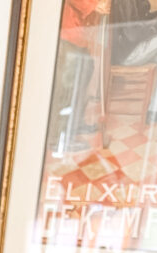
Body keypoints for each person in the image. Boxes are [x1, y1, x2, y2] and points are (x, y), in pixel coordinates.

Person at [48, 1, 112, 152]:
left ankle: (74, 124)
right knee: (66, 89)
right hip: (69, 30)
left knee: (83, 78)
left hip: (82, 33)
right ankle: (58, 138)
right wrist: (93, 5)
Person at [111, 1, 157, 122]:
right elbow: (132, 34)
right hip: (127, 55)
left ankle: (156, 111)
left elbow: (141, 19)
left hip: (133, 48)